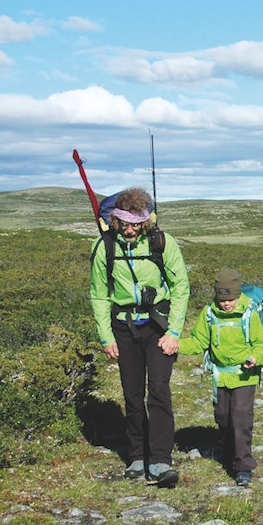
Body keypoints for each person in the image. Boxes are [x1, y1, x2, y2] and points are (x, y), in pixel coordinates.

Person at [89, 187, 190, 488]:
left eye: (136, 223)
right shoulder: (104, 247)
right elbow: (99, 295)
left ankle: (160, 460)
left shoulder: (162, 242)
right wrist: (105, 336)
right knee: (132, 395)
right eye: (125, 223)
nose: (131, 230)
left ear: (146, 221)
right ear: (115, 220)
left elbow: (181, 287)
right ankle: (136, 454)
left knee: (158, 390)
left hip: (158, 327)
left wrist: (174, 332)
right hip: (123, 328)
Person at [180, 269, 263, 487]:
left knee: (240, 418)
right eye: (222, 299)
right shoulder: (209, 314)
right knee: (223, 417)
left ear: (238, 295)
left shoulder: (249, 313)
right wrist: (175, 345)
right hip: (221, 376)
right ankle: (229, 451)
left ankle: (243, 467)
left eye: (230, 299)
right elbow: (198, 341)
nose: (226, 304)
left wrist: (255, 358)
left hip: (244, 375)